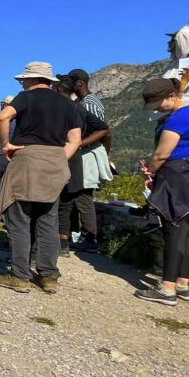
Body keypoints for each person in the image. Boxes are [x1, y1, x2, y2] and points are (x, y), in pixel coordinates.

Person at [0, 62, 82, 294]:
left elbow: (3, 118)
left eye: (23, 79)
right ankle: (49, 276)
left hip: (28, 158)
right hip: (55, 162)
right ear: (49, 80)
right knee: (48, 219)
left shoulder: (25, 97)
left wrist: (5, 145)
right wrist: (58, 158)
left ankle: (20, 275)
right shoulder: (67, 104)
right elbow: (75, 139)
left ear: (30, 80)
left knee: (20, 218)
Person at [135, 78, 189, 306]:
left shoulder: (176, 119)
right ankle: (183, 284)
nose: (156, 108)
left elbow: (161, 154)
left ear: (171, 96)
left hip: (175, 178)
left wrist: (149, 173)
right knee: (186, 231)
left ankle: (167, 288)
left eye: (158, 103)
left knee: (172, 230)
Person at [54, 75, 109, 257]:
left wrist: (80, 143)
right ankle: (66, 242)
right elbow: (103, 128)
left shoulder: (66, 106)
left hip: (69, 156)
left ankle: (70, 241)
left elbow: (104, 131)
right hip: (77, 158)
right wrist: (78, 145)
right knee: (71, 200)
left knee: (72, 200)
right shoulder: (78, 107)